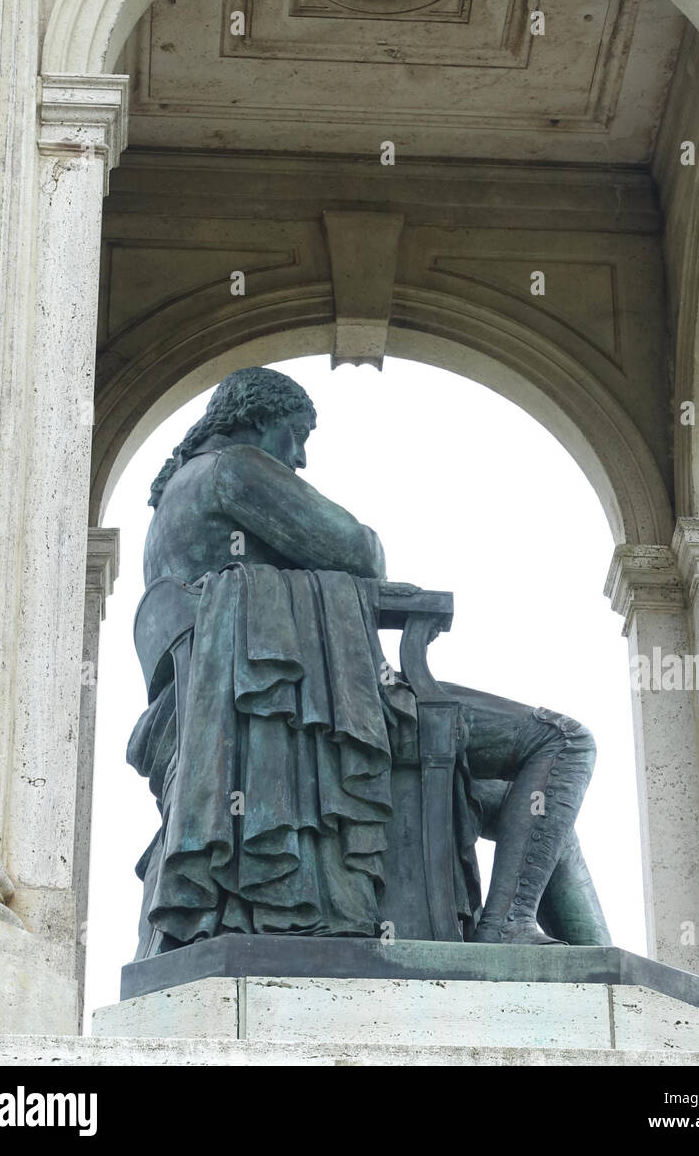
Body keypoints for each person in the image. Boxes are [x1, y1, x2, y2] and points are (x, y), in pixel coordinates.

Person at [129, 366, 610, 955]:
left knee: (530, 804)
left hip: (272, 727)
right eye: (296, 434)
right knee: (562, 743)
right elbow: (360, 551)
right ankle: (509, 929)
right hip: (313, 720)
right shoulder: (233, 469)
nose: (300, 458)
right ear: (255, 420)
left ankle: (602, 976)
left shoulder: (170, 507)